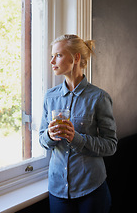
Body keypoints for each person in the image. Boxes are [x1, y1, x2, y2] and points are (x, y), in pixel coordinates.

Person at [39, 34, 117, 213]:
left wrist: (77, 138)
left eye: (58, 55)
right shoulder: (50, 97)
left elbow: (111, 146)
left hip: (92, 189)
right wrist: (49, 135)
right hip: (57, 190)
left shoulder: (99, 98)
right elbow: (42, 141)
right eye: (52, 56)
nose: (52, 61)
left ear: (76, 58)